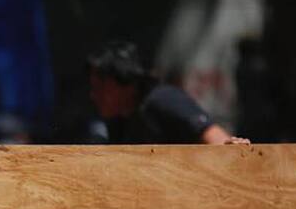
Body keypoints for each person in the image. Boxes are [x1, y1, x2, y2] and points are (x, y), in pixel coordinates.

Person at [86, 40, 249, 145]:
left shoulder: (163, 99)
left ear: (126, 81)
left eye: (101, 87)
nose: (94, 95)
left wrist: (230, 148)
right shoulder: (119, 122)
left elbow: (213, 136)